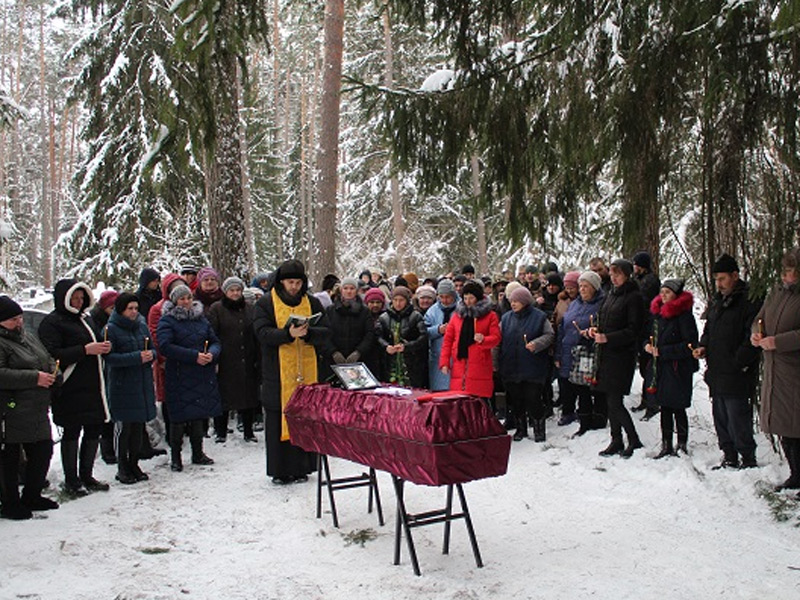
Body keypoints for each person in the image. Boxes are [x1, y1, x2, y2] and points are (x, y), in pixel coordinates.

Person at [253, 259, 330, 484]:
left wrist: (308, 334)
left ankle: (302, 467)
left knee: (304, 417)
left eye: (297, 282)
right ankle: (280, 470)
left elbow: (326, 331)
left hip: (306, 371)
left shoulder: (312, 302)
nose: (294, 287)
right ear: (280, 282)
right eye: (290, 282)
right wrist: (287, 334)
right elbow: (261, 332)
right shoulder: (266, 303)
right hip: (277, 373)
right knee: (279, 419)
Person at [38, 279, 111, 496]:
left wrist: (103, 347)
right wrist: (84, 350)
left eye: (82, 298)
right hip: (70, 386)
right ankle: (72, 479)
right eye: (74, 298)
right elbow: (51, 355)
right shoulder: (52, 323)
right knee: (72, 431)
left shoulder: (85, 319)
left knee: (93, 429)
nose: (79, 302)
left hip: (93, 385)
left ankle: (86, 475)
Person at [694, 254, 760, 469]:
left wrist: (738, 361)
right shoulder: (717, 301)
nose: (719, 284)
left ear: (735, 275)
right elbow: (709, 329)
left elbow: (751, 337)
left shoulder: (748, 300)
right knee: (720, 416)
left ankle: (747, 458)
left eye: (722, 279)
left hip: (737, 370)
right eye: (716, 279)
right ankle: (729, 454)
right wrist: (702, 346)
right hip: (716, 368)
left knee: (737, 416)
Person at [0, 296, 59, 519]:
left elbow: (46, 358)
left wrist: (55, 372)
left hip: (36, 406)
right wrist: (34, 378)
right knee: (10, 457)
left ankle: (32, 495)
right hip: (11, 408)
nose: (18, 322)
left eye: (20, 318)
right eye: (12, 319)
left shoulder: (27, 337)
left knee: (43, 450)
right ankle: (10, 502)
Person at [157, 284, 222, 471]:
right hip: (179, 373)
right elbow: (165, 346)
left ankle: (198, 452)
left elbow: (215, 341)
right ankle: (176, 457)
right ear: (174, 301)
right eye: (181, 299)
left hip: (201, 372)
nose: (186, 302)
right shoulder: (167, 321)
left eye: (188, 298)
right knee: (178, 416)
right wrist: (194, 356)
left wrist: (212, 353)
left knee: (198, 414)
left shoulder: (201, 319)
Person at [751, 248, 800, 490]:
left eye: (792, 272)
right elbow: (758, 319)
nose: (787, 276)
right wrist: (756, 334)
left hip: (794, 371)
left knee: (796, 426)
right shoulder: (776, 294)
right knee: (784, 427)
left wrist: (779, 342)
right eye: (785, 271)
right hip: (775, 370)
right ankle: (795, 475)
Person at [589, 259, 644, 457]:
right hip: (606, 355)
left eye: (617, 274)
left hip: (622, 356)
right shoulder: (611, 295)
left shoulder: (634, 297)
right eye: (611, 274)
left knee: (615, 401)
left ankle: (633, 438)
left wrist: (608, 337)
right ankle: (616, 439)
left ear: (627, 275)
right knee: (609, 400)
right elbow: (604, 319)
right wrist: (596, 330)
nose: (613, 277)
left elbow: (633, 330)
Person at [104, 293, 157, 483]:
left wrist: (151, 354)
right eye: (130, 309)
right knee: (124, 428)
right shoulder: (111, 329)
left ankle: (134, 463)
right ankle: (122, 466)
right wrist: (136, 357)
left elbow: (152, 348)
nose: (134, 312)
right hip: (122, 385)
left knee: (137, 427)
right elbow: (109, 358)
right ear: (121, 310)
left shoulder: (141, 326)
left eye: (136, 308)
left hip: (141, 383)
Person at [644, 280, 698, 458]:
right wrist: (647, 346)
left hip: (678, 368)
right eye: (662, 292)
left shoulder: (684, 316)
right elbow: (650, 335)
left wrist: (664, 351)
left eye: (667, 292)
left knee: (678, 407)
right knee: (665, 407)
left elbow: (689, 344)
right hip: (660, 367)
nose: (664, 295)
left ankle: (682, 443)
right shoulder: (658, 315)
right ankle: (666, 444)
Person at [208, 277, 261, 444]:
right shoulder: (217, 309)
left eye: (238, 290)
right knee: (224, 396)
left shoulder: (250, 309)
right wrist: (215, 357)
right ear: (225, 292)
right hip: (225, 358)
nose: (235, 293)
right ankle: (221, 431)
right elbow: (212, 334)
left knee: (248, 396)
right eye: (232, 290)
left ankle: (248, 431)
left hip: (247, 357)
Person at [499, 286, 555, 441]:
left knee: (533, 398)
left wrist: (537, 344)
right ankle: (520, 429)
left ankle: (539, 429)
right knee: (516, 400)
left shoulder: (539, 317)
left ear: (524, 301)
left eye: (516, 301)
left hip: (533, 366)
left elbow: (549, 335)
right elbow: (498, 340)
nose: (513, 304)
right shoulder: (506, 319)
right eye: (511, 301)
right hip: (511, 365)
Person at [555, 271, 607, 436]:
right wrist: (558, 353)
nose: (582, 289)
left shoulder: (602, 304)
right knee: (578, 386)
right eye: (581, 286)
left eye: (586, 286)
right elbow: (563, 328)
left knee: (594, 387)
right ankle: (583, 421)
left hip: (591, 352)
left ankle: (598, 420)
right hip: (570, 350)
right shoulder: (574, 304)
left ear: (595, 287)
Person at [439, 280, 501, 403]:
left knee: (479, 404)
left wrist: (484, 340)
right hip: (459, 365)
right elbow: (448, 341)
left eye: (471, 298)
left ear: (477, 298)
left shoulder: (490, 316)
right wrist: (444, 362)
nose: (468, 302)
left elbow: (496, 338)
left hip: (480, 365)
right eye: (465, 298)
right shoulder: (456, 316)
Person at [323, 276, 374, 380]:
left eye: (352, 288)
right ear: (341, 290)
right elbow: (324, 334)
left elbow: (369, 334)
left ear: (357, 290)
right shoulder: (330, 310)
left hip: (359, 361)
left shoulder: (365, 311)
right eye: (345, 288)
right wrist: (333, 352)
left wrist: (358, 352)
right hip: (333, 362)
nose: (348, 291)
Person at [89, 289, 119, 465]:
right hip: (102, 370)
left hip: (113, 370)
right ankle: (107, 447)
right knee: (106, 410)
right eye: (111, 307)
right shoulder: (96, 321)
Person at [377, 286, 428, 387]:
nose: (398, 303)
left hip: (411, 363)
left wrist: (407, 346)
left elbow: (423, 337)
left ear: (407, 301)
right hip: (390, 363)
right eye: (395, 300)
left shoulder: (416, 316)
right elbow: (378, 336)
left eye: (401, 300)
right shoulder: (384, 317)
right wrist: (386, 346)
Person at [631, 251, 661, 419]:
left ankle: (652, 403)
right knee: (644, 367)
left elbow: (643, 301)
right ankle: (646, 399)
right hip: (642, 328)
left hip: (649, 327)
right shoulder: (640, 280)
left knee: (649, 368)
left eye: (637, 265)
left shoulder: (650, 281)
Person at [424, 279, 459, 391]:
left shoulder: (462, 309)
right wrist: (438, 330)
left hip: (457, 357)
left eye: (448, 297)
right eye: (441, 297)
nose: (445, 300)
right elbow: (424, 331)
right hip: (437, 358)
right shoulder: (432, 311)